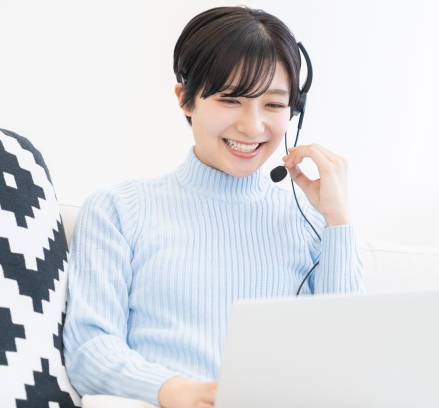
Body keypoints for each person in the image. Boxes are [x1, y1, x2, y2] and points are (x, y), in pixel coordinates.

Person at [63, 6, 365, 408]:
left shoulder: (311, 220)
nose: (253, 126)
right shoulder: (118, 211)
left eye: (274, 105)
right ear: (185, 100)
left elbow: (347, 362)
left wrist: (337, 220)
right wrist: (178, 391)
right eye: (231, 100)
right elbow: (89, 349)